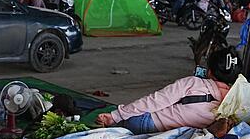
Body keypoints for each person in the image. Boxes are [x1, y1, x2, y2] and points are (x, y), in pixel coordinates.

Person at [98, 48, 239, 134]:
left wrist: (116, 115)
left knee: (119, 126)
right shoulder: (236, 103)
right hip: (176, 137)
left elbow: (155, 101)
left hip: (147, 123)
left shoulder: (194, 83)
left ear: (209, 71)